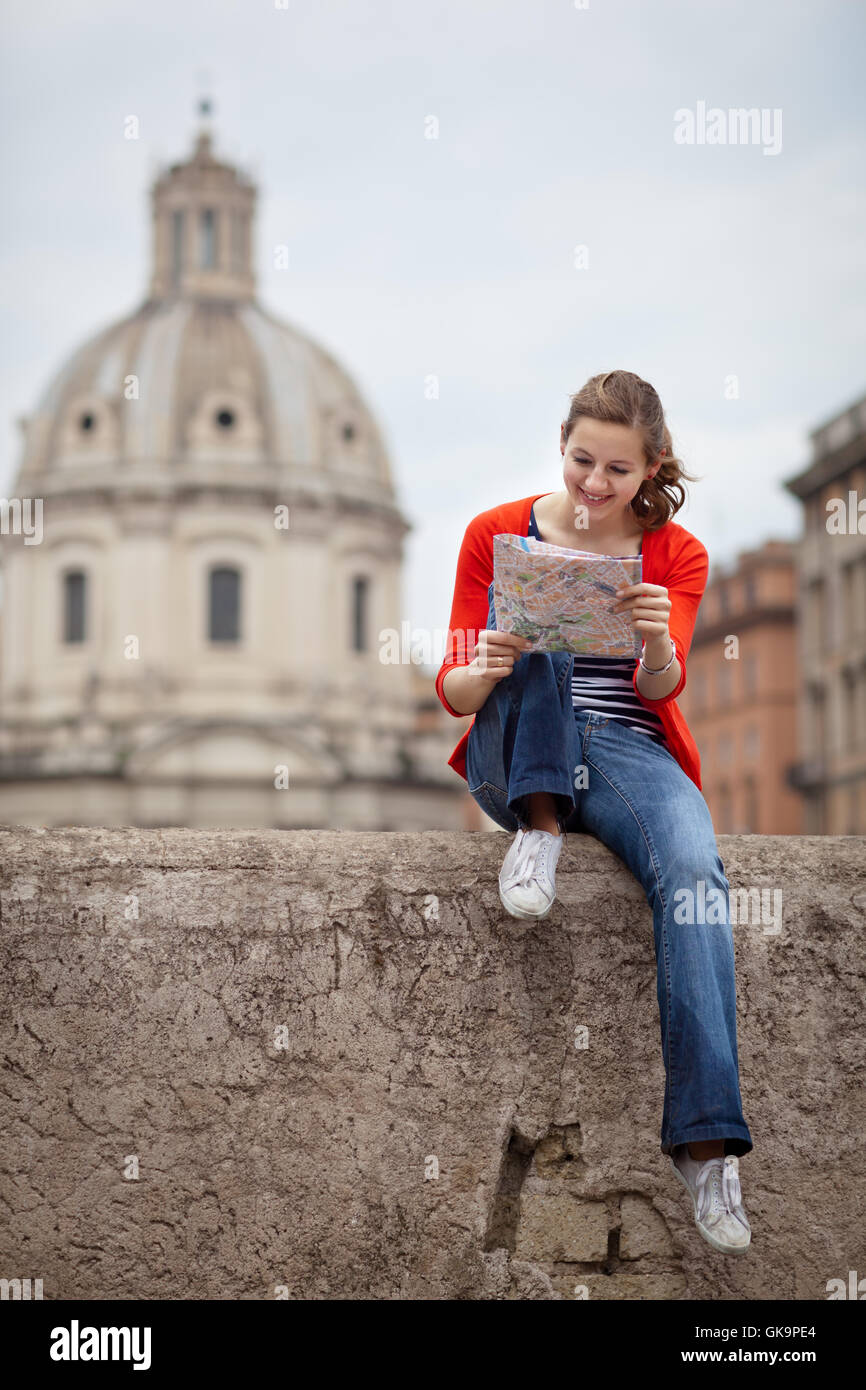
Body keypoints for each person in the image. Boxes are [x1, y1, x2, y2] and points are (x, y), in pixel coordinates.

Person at [434, 370, 753, 1256]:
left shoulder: (677, 553)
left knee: (693, 872)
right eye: (582, 461)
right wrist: (492, 658)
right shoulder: (495, 533)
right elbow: (453, 692)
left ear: (652, 468)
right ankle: (538, 828)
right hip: (513, 745)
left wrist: (655, 635)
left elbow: (663, 685)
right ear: (563, 445)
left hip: (622, 750)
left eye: (618, 470)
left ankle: (706, 1145)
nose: (594, 485)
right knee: (544, 630)